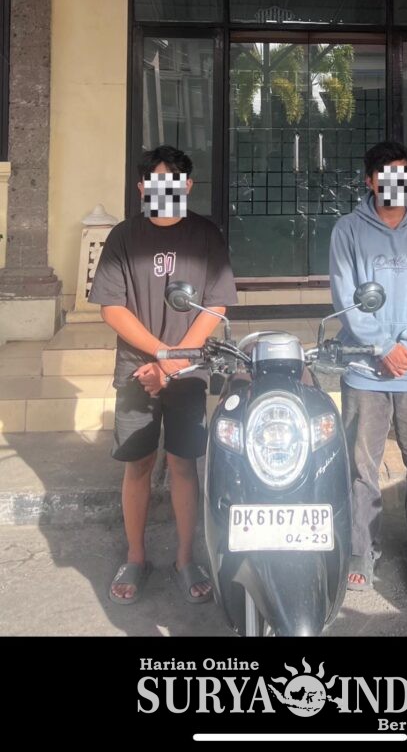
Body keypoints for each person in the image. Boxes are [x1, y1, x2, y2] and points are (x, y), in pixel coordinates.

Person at [88, 144, 238, 606]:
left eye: (173, 181)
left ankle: (185, 558)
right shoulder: (123, 237)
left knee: (183, 464)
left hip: (188, 373)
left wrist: (172, 364)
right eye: (154, 181)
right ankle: (136, 557)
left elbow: (216, 304)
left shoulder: (205, 235)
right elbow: (111, 307)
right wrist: (159, 355)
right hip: (137, 371)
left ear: (187, 186)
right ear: (141, 188)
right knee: (138, 464)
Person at [329, 139, 407, 596]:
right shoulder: (347, 231)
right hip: (365, 370)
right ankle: (361, 552)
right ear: (370, 181)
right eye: (386, 176)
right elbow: (345, 297)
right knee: (361, 467)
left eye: (404, 176)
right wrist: (382, 346)